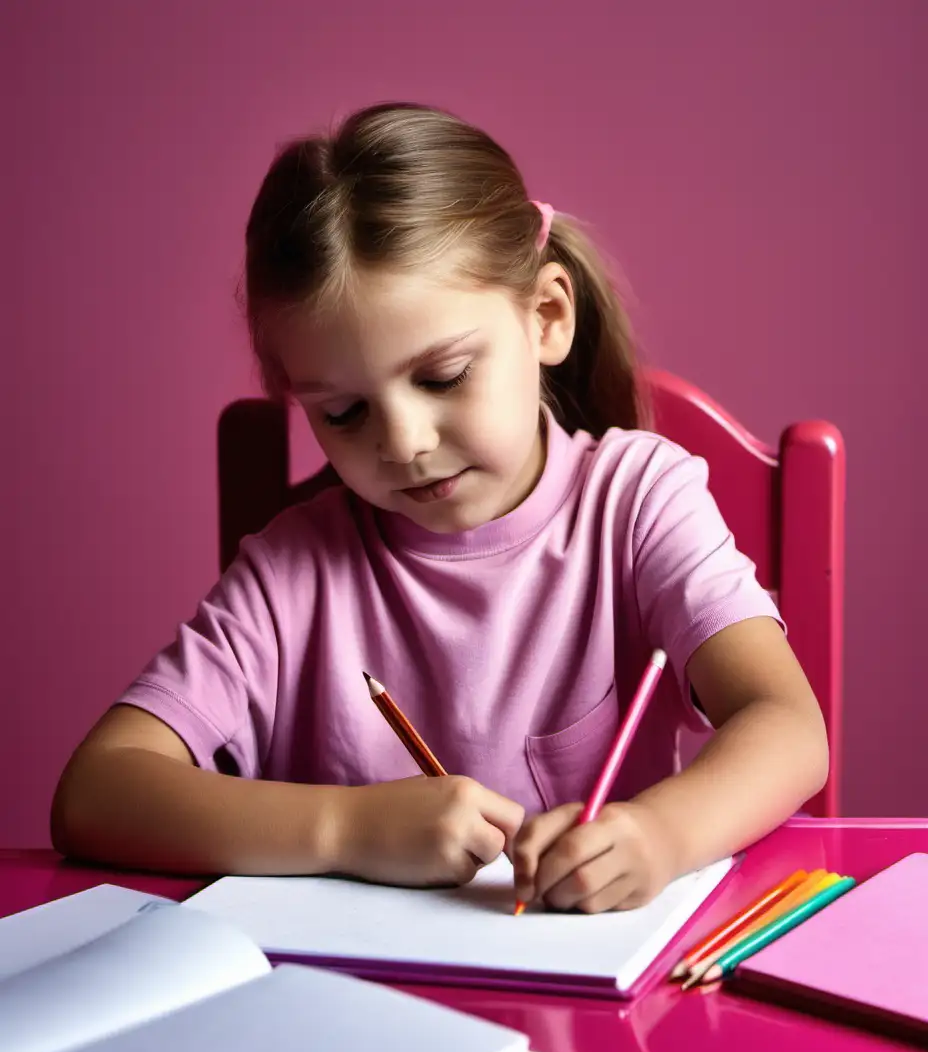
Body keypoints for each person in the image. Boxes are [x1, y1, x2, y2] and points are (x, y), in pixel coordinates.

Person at [51, 103, 828, 914]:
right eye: (344, 413)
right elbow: (96, 792)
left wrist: (662, 836)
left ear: (546, 317)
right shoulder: (293, 571)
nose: (404, 441)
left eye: (443, 376)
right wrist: (346, 828)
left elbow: (788, 728)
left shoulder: (638, 503)